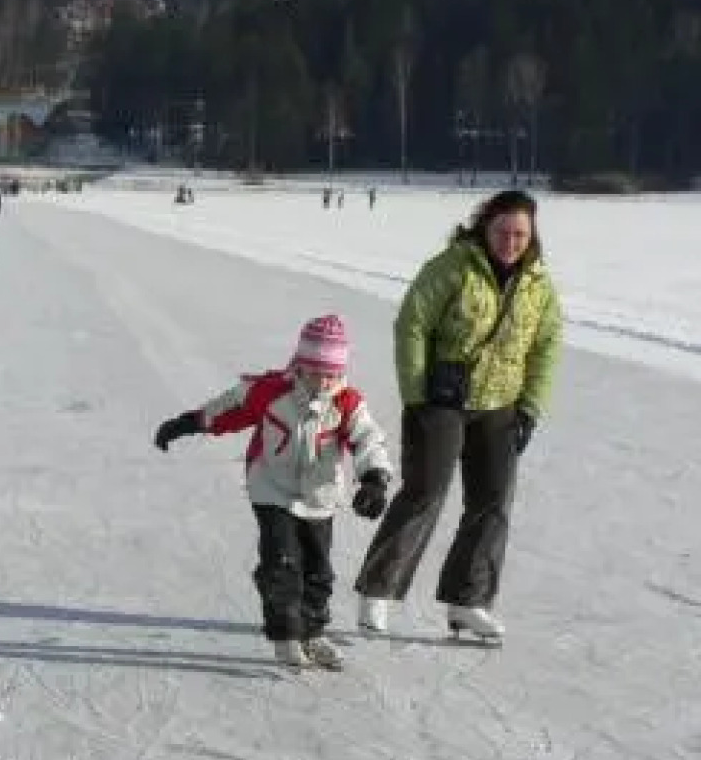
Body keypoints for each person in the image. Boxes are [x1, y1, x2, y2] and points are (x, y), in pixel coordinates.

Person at [353, 189, 562, 640]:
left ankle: (469, 601)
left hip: (500, 405)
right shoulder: (454, 265)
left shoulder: (538, 283)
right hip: (442, 400)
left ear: (532, 236)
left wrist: (530, 407)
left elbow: (547, 344)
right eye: (503, 231)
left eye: (520, 234)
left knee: (493, 504)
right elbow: (412, 322)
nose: (510, 241)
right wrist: (417, 393)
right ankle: (379, 592)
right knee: (425, 492)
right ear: (486, 227)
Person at [153, 316, 393, 668]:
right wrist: (188, 422)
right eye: (314, 372)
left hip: (318, 499)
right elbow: (228, 408)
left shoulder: (347, 402)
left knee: (318, 572)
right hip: (272, 490)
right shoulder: (271, 391)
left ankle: (312, 633)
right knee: (282, 563)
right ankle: (285, 636)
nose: (322, 382)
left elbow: (367, 438)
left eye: (330, 374)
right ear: (299, 365)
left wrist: (374, 478)